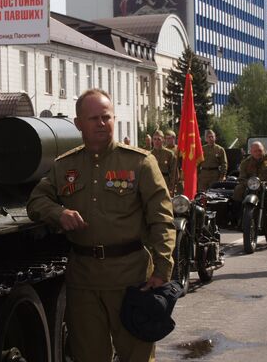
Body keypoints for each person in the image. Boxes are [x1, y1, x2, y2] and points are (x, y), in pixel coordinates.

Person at [27, 89, 176, 362]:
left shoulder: (140, 162)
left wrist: (163, 268)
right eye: (93, 118)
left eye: (106, 117)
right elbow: (36, 201)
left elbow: (162, 220)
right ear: (78, 123)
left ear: (114, 119)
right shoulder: (65, 166)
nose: (101, 123)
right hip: (84, 281)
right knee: (88, 356)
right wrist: (58, 212)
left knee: (137, 357)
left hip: (132, 279)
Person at [232, 141, 267, 237]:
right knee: (237, 191)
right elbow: (241, 177)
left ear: (264, 150)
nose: (258, 153)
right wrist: (248, 182)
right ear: (251, 151)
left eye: (260, 150)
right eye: (255, 151)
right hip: (252, 185)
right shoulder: (246, 162)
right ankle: (237, 218)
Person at [164, 130, 183, 195]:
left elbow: (182, 163)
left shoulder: (179, 149)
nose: (167, 140)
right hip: (167, 177)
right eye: (166, 138)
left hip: (177, 176)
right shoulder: (164, 150)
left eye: (169, 138)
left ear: (174, 138)